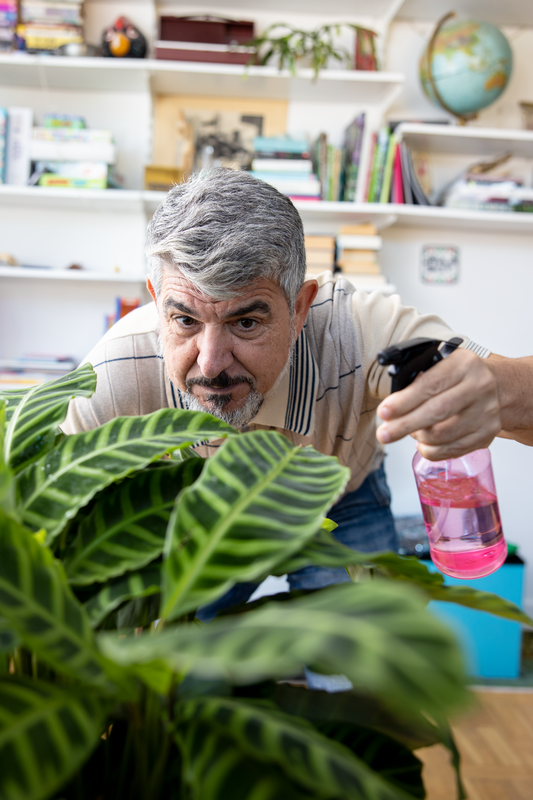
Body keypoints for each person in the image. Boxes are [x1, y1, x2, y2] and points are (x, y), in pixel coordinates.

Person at [62, 169, 522, 607]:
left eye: (245, 321)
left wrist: (493, 388)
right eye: (184, 319)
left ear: (300, 308)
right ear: (156, 299)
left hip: (343, 497)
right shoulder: (115, 371)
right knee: (185, 669)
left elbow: (508, 388)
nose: (210, 363)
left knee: (358, 671)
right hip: (207, 521)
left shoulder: (362, 332)